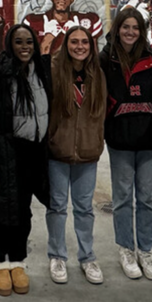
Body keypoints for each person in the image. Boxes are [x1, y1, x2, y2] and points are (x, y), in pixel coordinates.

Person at [0, 23, 50, 297]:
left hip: (32, 154)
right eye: (19, 42)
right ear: (9, 45)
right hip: (3, 154)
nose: (25, 47)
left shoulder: (41, 72)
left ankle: (18, 260)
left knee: (22, 209)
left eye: (29, 42)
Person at [100, 8, 152, 281]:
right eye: (125, 27)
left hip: (151, 139)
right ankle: (126, 248)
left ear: (142, 31)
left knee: (147, 198)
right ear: (117, 29)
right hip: (120, 140)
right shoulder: (105, 59)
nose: (130, 32)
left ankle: (145, 250)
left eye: (135, 27)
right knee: (123, 197)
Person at [45, 26, 107, 285]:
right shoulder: (53, 72)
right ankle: (57, 255)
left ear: (91, 46)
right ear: (66, 44)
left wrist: (95, 141)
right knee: (57, 207)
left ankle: (87, 257)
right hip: (58, 152)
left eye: (85, 42)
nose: (80, 46)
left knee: (84, 209)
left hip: (88, 153)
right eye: (74, 42)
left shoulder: (98, 75)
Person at [22, 0, 103, 55]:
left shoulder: (88, 20)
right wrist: (49, 37)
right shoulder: (33, 21)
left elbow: (93, 60)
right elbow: (29, 60)